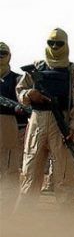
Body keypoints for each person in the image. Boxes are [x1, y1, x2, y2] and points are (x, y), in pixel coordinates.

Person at [14, 28, 74, 212]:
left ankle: (65, 214)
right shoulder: (36, 67)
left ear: (66, 45)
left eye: (59, 43)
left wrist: (73, 126)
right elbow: (21, 90)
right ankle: (25, 213)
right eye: (51, 43)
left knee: (64, 170)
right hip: (37, 120)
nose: (54, 46)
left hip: (62, 121)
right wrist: (29, 94)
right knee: (31, 167)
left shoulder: (73, 69)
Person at [0, 42, 29, 216]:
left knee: (9, 169)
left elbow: (26, 108)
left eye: (2, 53)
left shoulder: (18, 79)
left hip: (11, 127)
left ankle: (6, 211)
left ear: (9, 56)